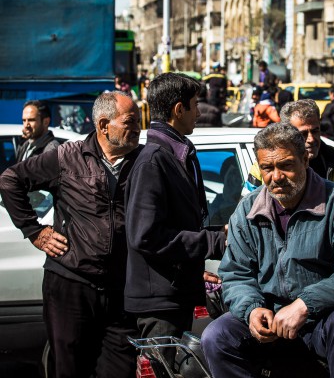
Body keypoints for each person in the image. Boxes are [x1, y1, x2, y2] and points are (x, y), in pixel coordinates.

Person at [201, 123, 334, 378]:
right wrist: (252, 309)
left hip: (324, 319)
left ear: (305, 160)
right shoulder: (248, 209)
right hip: (272, 321)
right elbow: (236, 274)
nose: (276, 176)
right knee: (216, 335)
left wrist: (305, 304)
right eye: (267, 168)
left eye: (285, 165)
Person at [0, 91, 143, 378]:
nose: (138, 128)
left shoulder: (144, 162)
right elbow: (10, 180)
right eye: (131, 121)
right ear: (104, 125)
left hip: (121, 289)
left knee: (120, 369)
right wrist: (35, 231)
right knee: (68, 369)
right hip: (70, 285)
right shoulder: (68, 157)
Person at [124, 73, 226, 364]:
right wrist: (217, 241)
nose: (200, 112)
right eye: (195, 104)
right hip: (159, 302)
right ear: (178, 109)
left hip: (174, 292)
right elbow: (145, 235)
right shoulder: (154, 160)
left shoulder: (174, 153)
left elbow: (179, 224)